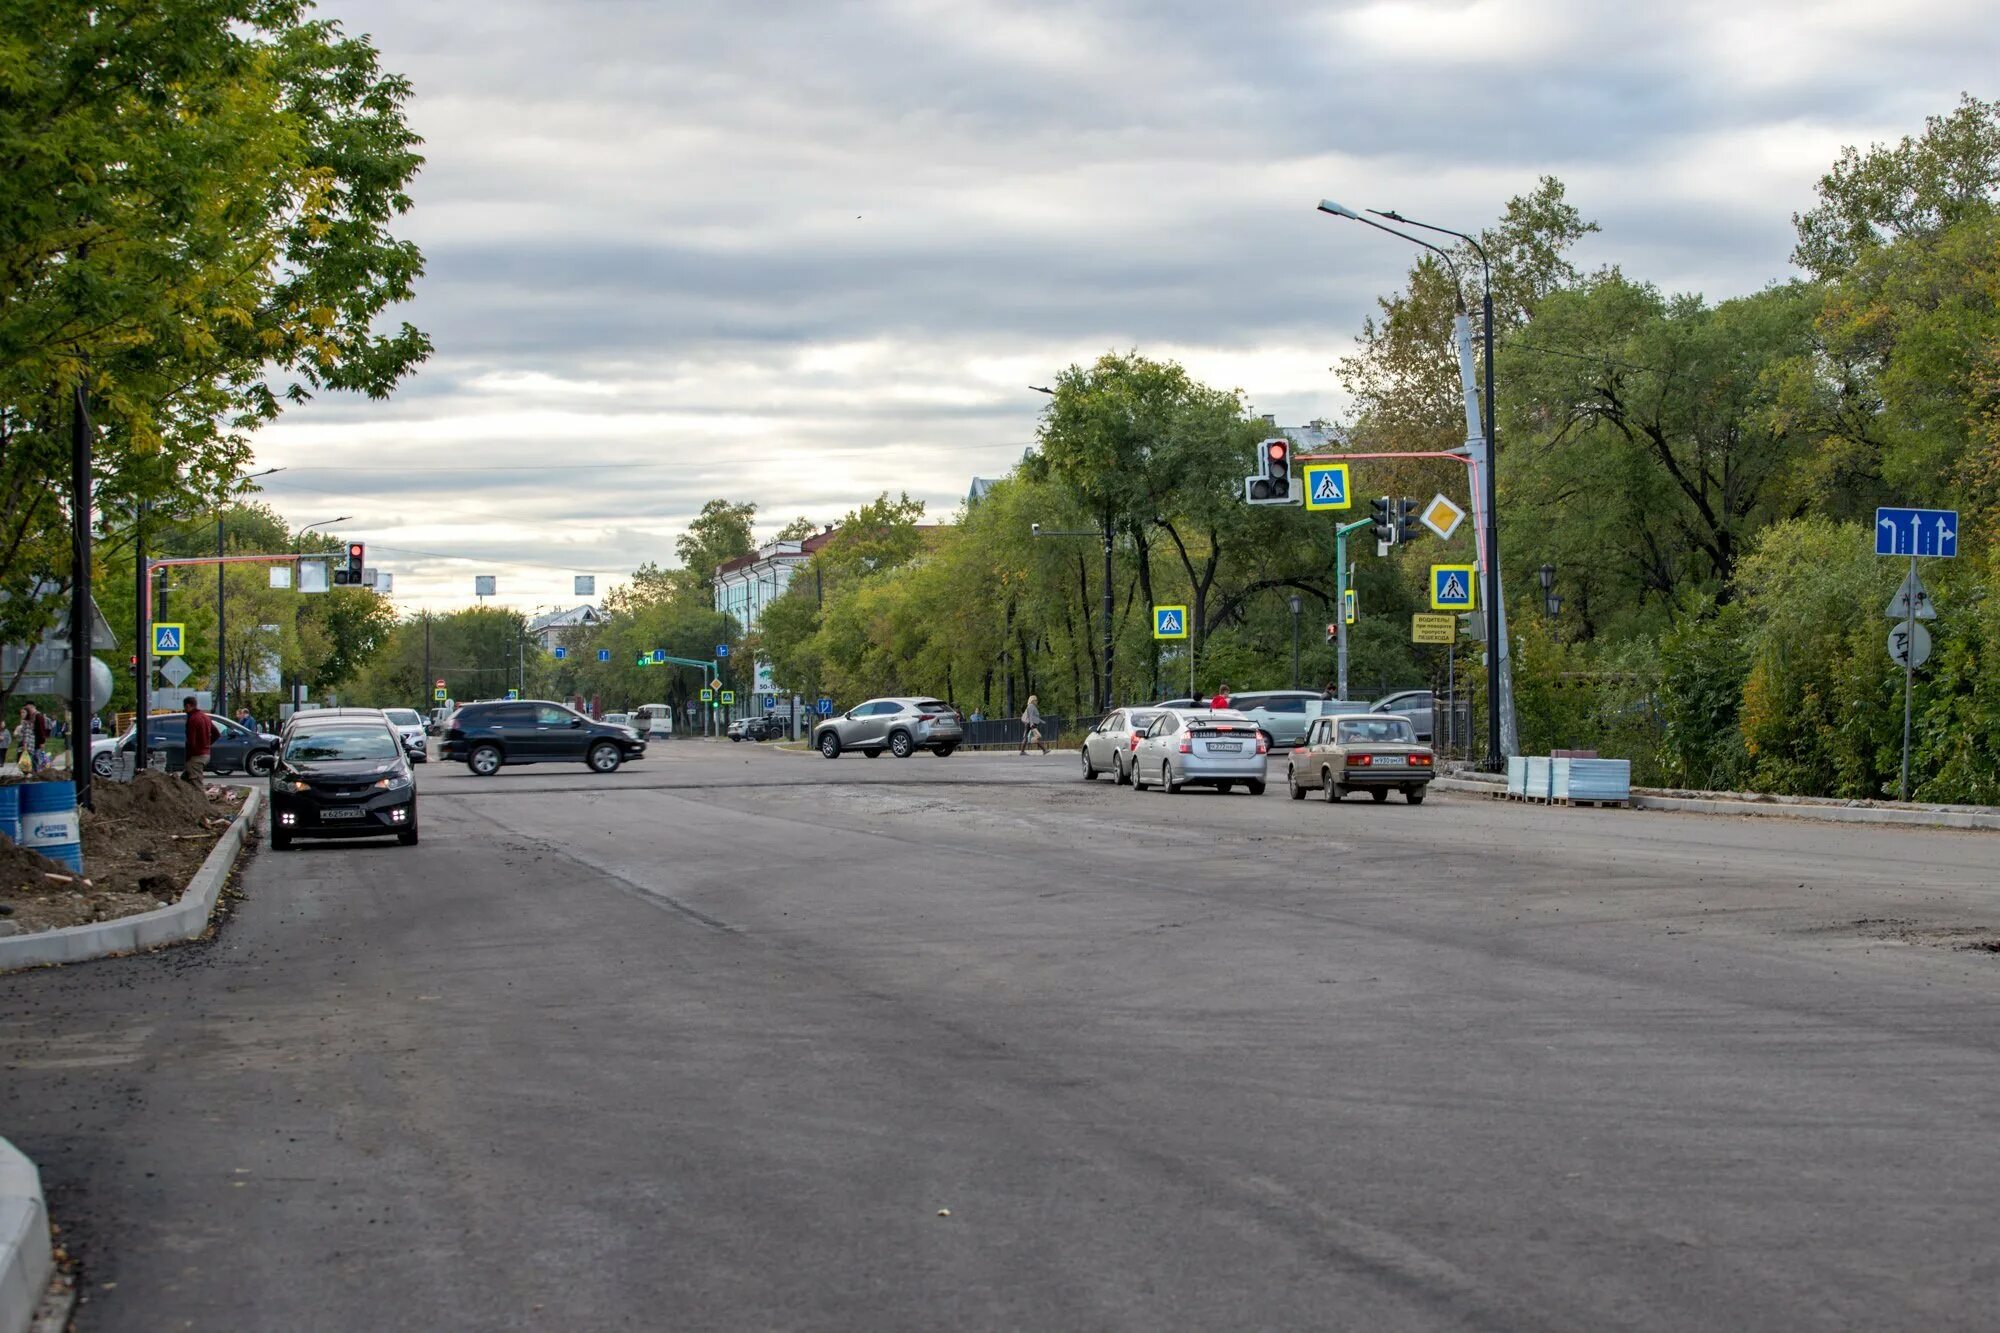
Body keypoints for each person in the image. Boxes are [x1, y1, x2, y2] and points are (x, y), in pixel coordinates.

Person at [182, 695, 217, 784]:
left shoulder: (192, 719)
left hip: (196, 757)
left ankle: (201, 797)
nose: (184, 710)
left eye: (185, 707)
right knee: (184, 781)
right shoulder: (205, 717)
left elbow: (191, 741)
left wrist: (189, 757)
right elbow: (217, 734)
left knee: (196, 783)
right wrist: (207, 744)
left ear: (188, 706)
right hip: (205, 754)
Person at [11, 706, 36, 773]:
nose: (22, 714)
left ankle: (28, 776)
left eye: (24, 712)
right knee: (23, 763)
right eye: (21, 712)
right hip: (23, 744)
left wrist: (25, 745)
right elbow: (22, 735)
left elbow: (27, 735)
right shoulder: (25, 722)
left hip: (28, 745)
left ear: (28, 713)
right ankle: (27, 775)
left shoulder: (27, 722)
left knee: (27, 764)